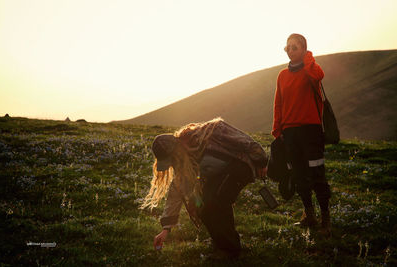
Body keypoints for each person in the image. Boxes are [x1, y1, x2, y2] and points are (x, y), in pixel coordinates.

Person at [141, 118, 267, 258]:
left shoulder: (212, 131)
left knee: (216, 201)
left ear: (177, 150)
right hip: (223, 174)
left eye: (171, 159)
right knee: (203, 206)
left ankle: (230, 250)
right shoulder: (184, 163)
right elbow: (176, 192)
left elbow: (245, 141)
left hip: (240, 166)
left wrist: (261, 161)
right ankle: (222, 244)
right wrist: (166, 228)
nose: (173, 164)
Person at [272, 33, 331, 236]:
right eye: (287, 47)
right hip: (290, 133)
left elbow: (318, 75)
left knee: (317, 175)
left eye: (294, 47)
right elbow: (278, 104)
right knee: (298, 176)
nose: (289, 50)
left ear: (304, 50)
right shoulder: (282, 75)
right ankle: (309, 216)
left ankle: (326, 220)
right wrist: (277, 130)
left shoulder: (310, 70)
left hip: (311, 131)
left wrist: (308, 57)